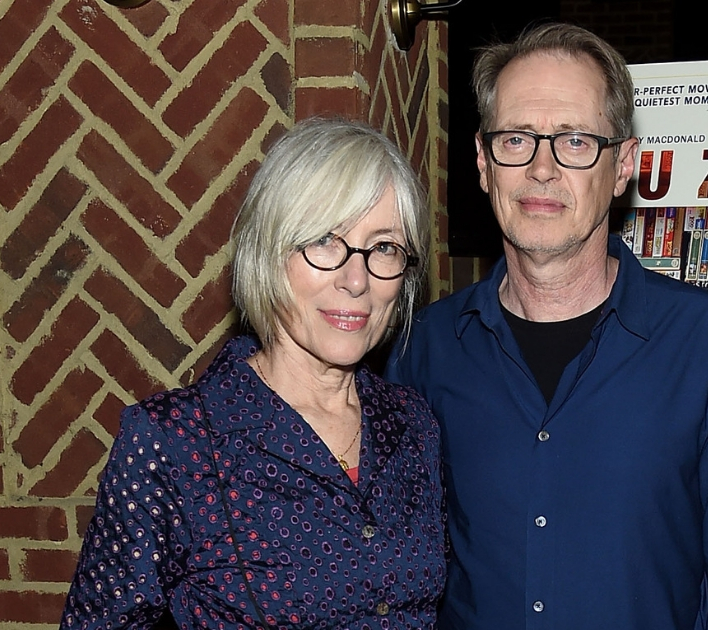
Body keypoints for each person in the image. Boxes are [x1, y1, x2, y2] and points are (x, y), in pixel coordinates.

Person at [385, 23, 708, 630]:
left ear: (623, 164)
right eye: (517, 138)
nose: (542, 168)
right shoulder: (425, 349)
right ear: (482, 162)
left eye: (575, 141)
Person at [61, 118, 444, 629]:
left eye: (384, 248)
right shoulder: (171, 443)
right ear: (268, 251)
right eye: (326, 241)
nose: (357, 279)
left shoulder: (413, 425)